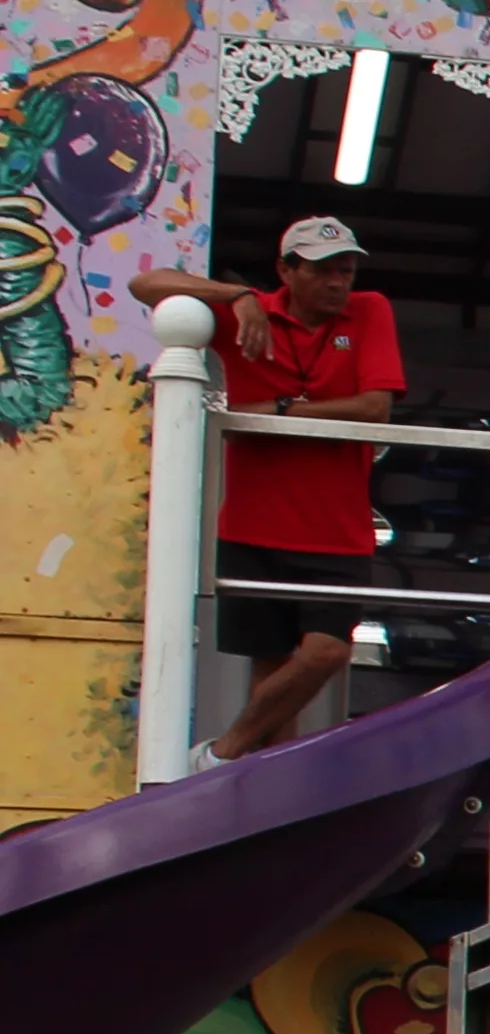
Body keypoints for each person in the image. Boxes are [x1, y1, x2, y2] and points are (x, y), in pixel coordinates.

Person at [131, 216, 398, 762]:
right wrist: (237, 295)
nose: (337, 282)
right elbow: (147, 284)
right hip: (254, 526)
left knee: (326, 652)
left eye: (345, 270)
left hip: (338, 530)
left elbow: (375, 408)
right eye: (323, 270)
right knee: (273, 679)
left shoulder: (370, 310)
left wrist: (278, 411)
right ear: (286, 270)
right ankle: (266, 795)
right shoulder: (247, 312)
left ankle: (222, 753)